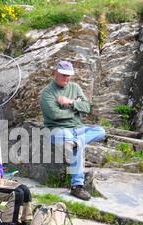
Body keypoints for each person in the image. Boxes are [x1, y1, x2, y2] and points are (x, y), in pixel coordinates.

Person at [39, 60, 106, 201]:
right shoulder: (47, 93)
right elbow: (55, 115)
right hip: (57, 130)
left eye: (69, 75)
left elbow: (87, 107)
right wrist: (76, 110)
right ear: (55, 72)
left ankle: (75, 142)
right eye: (63, 75)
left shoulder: (75, 87)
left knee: (100, 131)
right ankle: (77, 186)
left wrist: (70, 102)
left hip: (77, 129)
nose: (66, 78)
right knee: (75, 143)